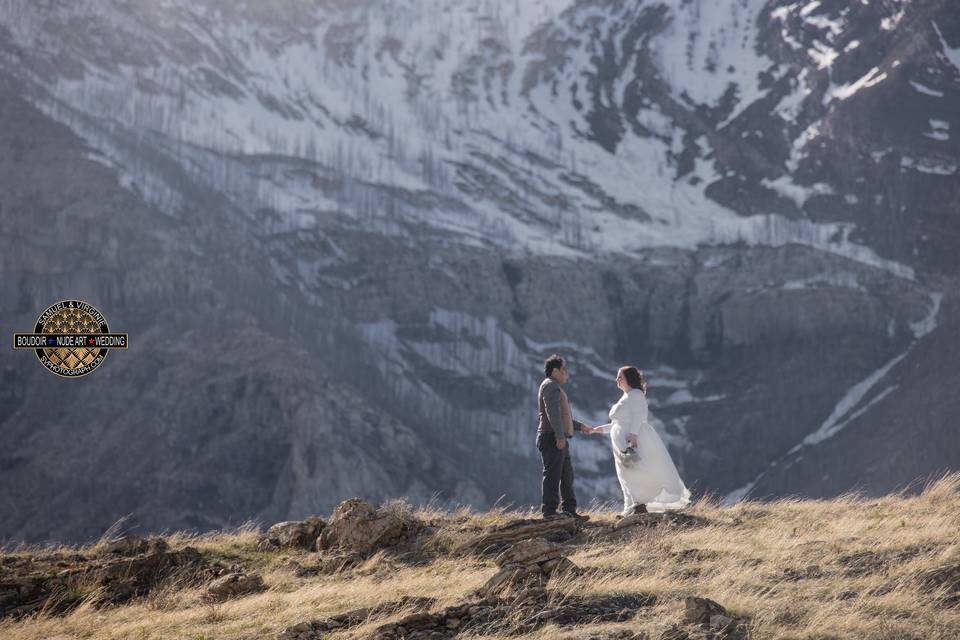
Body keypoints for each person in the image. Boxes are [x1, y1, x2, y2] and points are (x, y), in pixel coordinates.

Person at [583, 366, 691, 517]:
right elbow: (617, 423)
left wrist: (633, 435)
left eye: (620, 377)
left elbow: (639, 415)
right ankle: (630, 507)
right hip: (621, 444)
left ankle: (638, 505)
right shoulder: (627, 396)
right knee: (625, 474)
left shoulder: (636, 394)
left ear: (629, 379)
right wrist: (597, 430)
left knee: (634, 471)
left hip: (630, 442)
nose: (617, 380)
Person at [537, 354, 591, 521]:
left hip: (558, 437)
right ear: (555, 371)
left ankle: (569, 510)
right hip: (551, 437)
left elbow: (562, 416)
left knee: (567, 475)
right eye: (564, 370)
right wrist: (559, 436)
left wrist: (580, 426)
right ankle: (550, 512)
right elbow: (552, 413)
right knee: (553, 475)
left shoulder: (553, 386)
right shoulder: (551, 386)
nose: (566, 374)